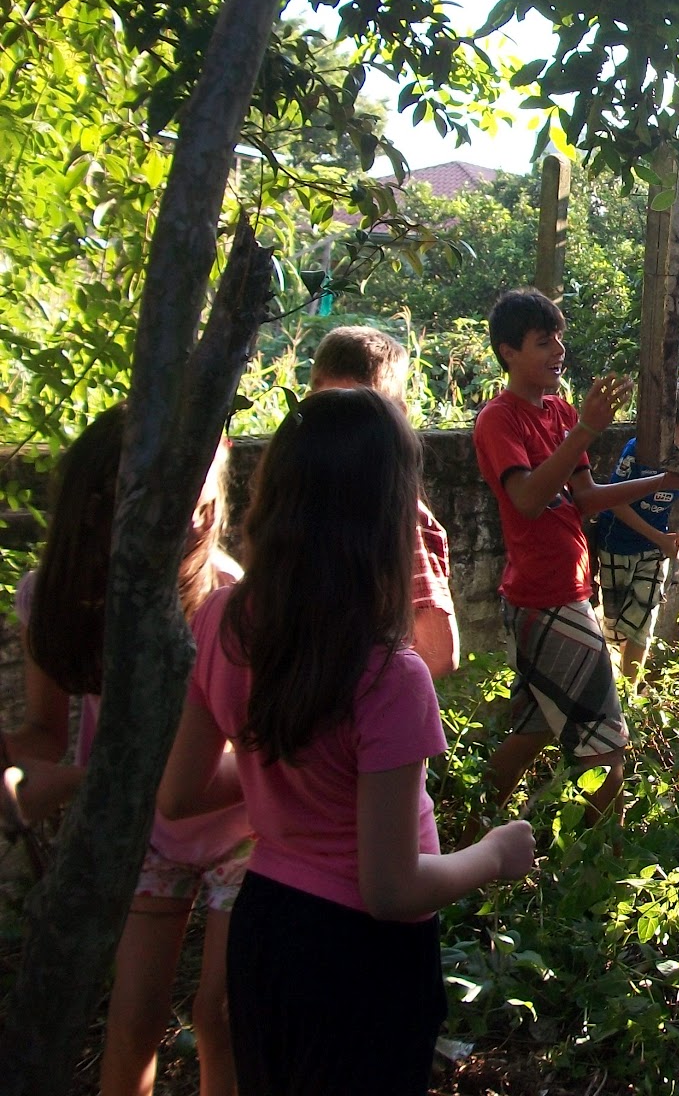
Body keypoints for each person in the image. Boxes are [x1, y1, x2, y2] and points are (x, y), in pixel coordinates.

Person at [159, 388, 535, 1096]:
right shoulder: (389, 675)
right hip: (363, 959)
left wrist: (284, 758)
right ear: (389, 515)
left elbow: (180, 794)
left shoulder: (221, 619)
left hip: (264, 929)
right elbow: (390, 888)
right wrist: (493, 853)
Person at [1, 405, 247, 1096]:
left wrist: (79, 780)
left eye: (203, 503)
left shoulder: (229, 600)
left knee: (221, 1015)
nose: (195, 520)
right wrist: (17, 771)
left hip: (240, 826)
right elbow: (44, 735)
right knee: (133, 1020)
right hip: (148, 834)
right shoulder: (56, 598)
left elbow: (247, 752)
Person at [471, 288, 679, 821]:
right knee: (607, 751)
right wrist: (586, 428)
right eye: (543, 341)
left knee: (532, 733)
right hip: (547, 598)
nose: (558, 350)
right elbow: (528, 499)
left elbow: (585, 497)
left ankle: (465, 841)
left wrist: (668, 481)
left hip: (563, 591)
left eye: (559, 338)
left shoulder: (559, 411)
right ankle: (596, 860)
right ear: (509, 352)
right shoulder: (499, 420)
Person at [309, 324, 459, 679]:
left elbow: (438, 651)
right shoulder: (302, 498)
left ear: (397, 418)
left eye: (360, 418)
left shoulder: (397, 515)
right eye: (328, 412)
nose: (341, 433)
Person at [592, 380, 679, 687]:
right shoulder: (637, 452)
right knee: (615, 623)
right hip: (617, 542)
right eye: (675, 434)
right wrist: (661, 539)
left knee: (644, 620)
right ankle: (614, 684)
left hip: (656, 548)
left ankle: (630, 693)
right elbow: (614, 501)